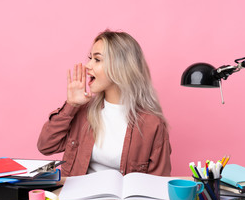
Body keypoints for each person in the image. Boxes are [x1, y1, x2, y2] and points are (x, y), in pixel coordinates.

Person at [37, 30, 171, 177]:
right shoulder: (82, 113)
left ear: (121, 67)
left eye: (97, 59)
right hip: (78, 198)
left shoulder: (152, 125)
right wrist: (71, 105)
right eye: (90, 58)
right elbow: (46, 146)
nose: (88, 65)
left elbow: (158, 183)